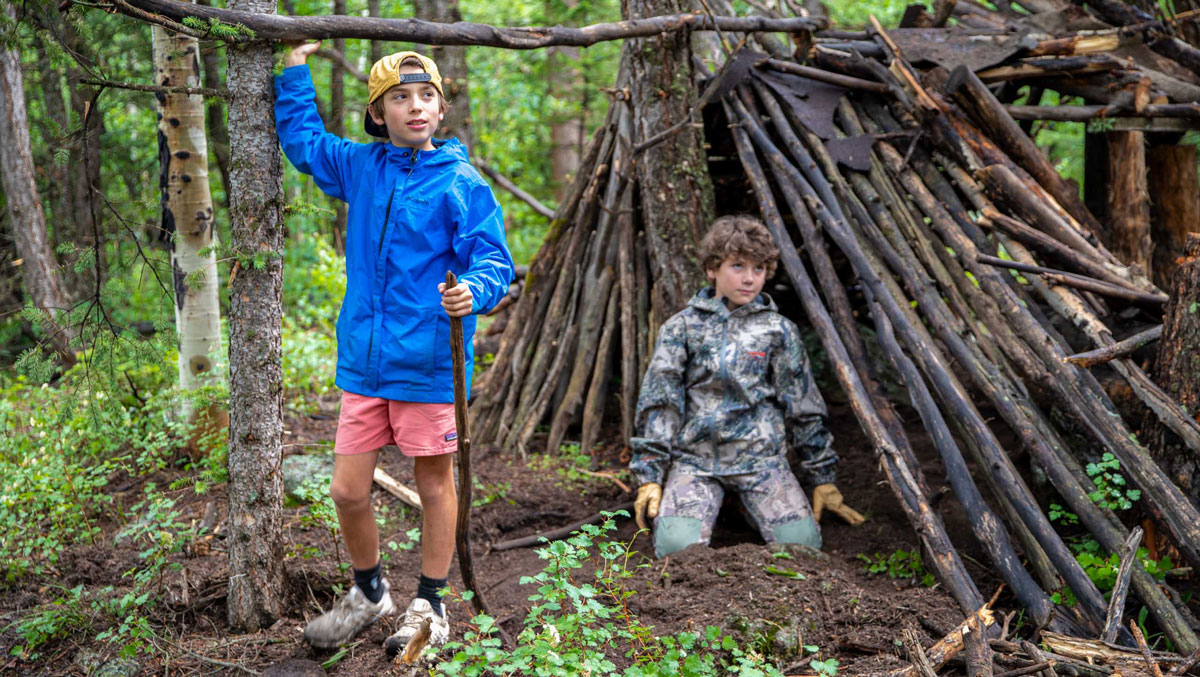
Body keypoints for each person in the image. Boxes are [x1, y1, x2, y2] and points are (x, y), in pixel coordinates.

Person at [274, 43, 514, 653]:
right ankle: (369, 592)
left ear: (440, 109)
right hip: (365, 361)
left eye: (426, 96)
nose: (414, 106)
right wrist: (295, 71)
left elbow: (492, 258)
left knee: (434, 483)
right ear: (377, 113)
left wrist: (475, 293)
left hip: (429, 363)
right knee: (347, 490)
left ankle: (430, 606)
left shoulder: (460, 181)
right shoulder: (361, 166)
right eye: (398, 98)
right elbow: (305, 144)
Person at [630, 215, 863, 558]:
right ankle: (723, 505)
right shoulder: (682, 328)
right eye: (737, 266)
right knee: (675, 550)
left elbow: (802, 403)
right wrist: (649, 473)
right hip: (697, 462)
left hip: (760, 461)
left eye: (758, 268)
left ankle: (743, 506)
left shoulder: (778, 331)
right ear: (712, 269)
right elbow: (660, 400)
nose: (749, 278)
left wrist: (822, 476)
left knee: (802, 547)